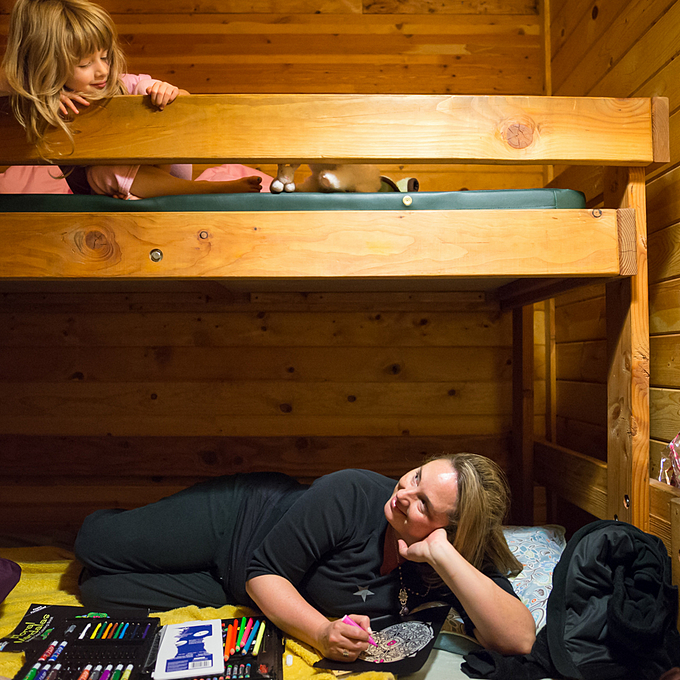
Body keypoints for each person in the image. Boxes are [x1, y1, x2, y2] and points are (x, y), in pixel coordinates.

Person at [74, 454, 537, 660]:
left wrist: (442, 557)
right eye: (416, 476)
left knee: (99, 590)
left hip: (239, 588)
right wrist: (320, 633)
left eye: (423, 505)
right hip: (238, 522)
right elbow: (264, 570)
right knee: (94, 545)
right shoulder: (352, 492)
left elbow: (519, 640)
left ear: (453, 533)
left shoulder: (454, 556)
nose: (403, 494)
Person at [0, 0, 264, 198]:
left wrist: (166, 91)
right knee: (101, 173)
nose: (102, 70)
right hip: (106, 186)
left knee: (146, 112)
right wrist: (39, 92)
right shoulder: (45, 102)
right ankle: (182, 191)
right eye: (85, 64)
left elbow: (181, 102)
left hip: (166, 173)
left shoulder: (124, 84)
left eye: (105, 57)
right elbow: (9, 79)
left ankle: (201, 190)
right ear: (49, 66)